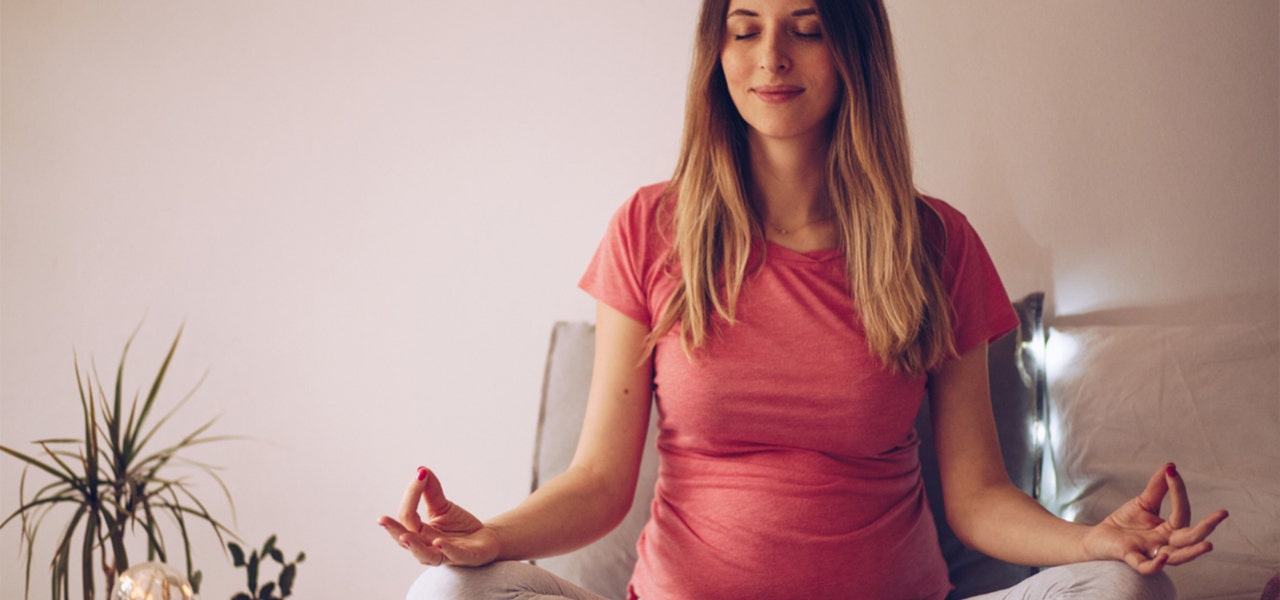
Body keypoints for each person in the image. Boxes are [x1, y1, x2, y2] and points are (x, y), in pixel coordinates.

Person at [378, 0, 1229, 598]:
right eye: (744, 30)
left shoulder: (935, 244)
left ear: (853, 49)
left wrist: (1092, 540)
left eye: (807, 29)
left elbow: (975, 497)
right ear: (718, 54)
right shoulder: (650, 226)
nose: (770, 58)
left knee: (1126, 589)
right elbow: (601, 481)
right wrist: (489, 536)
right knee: (442, 591)